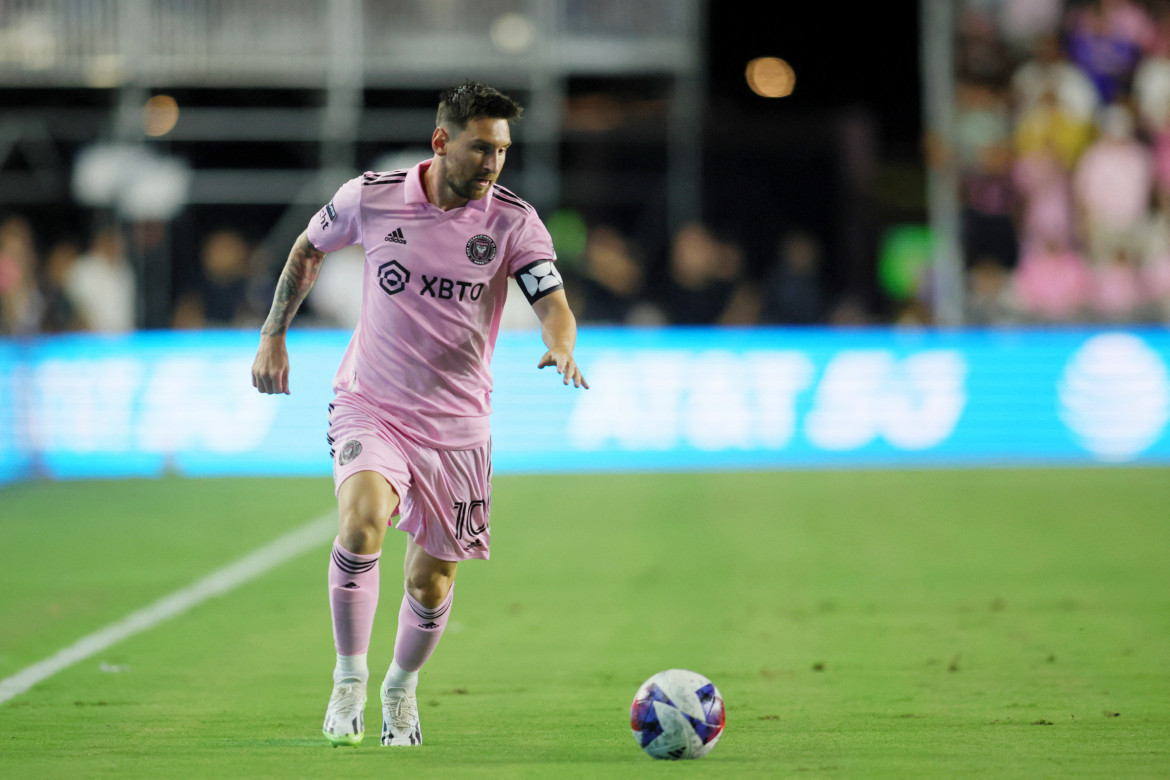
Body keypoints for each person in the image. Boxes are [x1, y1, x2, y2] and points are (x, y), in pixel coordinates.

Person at [250, 81, 588, 748]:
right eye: (482, 148)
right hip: (371, 403)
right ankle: (348, 678)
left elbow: (551, 297)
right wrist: (273, 333)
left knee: (430, 582)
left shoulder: (513, 220)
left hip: (458, 427)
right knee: (362, 521)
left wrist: (561, 342)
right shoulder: (370, 197)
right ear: (442, 142)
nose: (494, 163)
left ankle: (399, 689)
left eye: (503, 150)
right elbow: (307, 250)